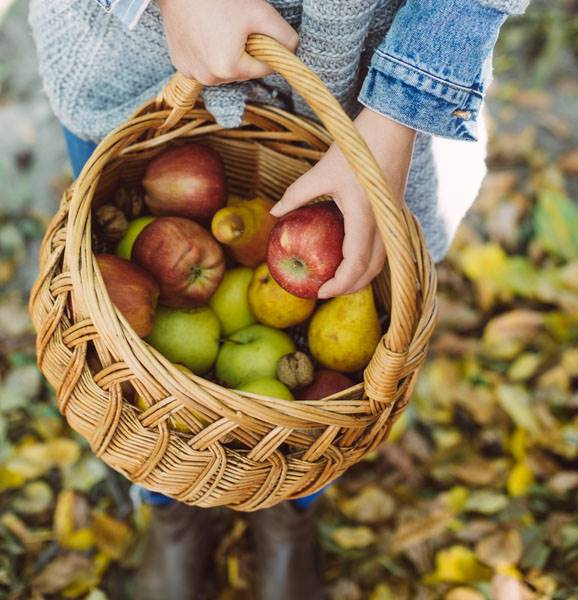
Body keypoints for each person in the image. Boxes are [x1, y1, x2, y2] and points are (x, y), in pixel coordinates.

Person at [29, 0, 530, 598]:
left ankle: (292, 507)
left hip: (369, 103)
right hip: (141, 63)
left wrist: (400, 106)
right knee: (125, 367)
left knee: (330, 402)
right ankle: (169, 509)